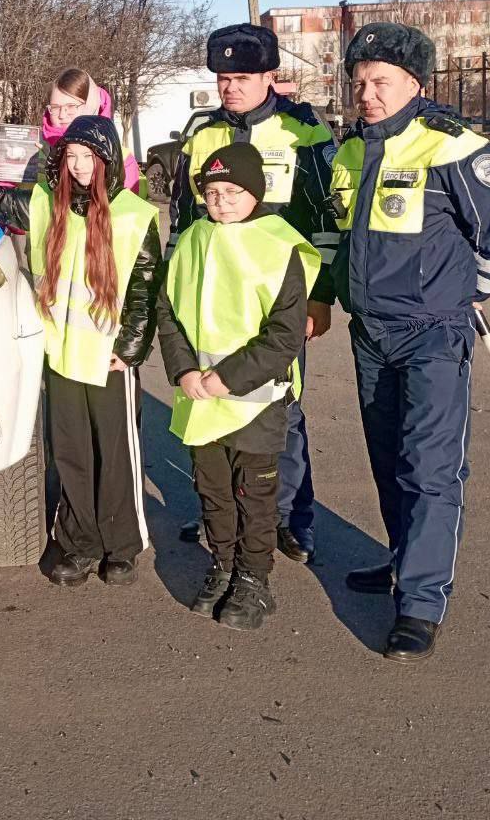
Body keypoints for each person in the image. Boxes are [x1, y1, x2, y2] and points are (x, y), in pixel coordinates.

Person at [0, 116, 160, 586]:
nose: (79, 166)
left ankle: (121, 546)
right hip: (60, 353)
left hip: (109, 359)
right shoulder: (44, 204)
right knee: (71, 454)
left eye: (88, 157)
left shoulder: (134, 215)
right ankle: (79, 543)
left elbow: (145, 288)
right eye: (71, 157)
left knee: (115, 454)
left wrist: (130, 347)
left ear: (106, 159)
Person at [331, 22, 490, 662]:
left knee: (429, 469)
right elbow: (340, 238)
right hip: (370, 334)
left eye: (381, 82)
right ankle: (404, 559)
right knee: (388, 460)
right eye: (359, 83)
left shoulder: (454, 146)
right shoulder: (351, 152)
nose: (367, 95)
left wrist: (461, 298)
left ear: (415, 83)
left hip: (433, 334)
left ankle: (421, 604)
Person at [167, 23, 337, 564]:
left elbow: (324, 218)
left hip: (276, 300)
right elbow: (183, 219)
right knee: (212, 403)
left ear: (269, 76)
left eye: (242, 77)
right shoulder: (202, 134)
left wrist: (320, 296)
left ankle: (289, 517)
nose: (230, 87)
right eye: (223, 78)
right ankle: (221, 512)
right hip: (211, 296)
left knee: (282, 408)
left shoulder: (301, 130)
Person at [158, 143, 321, 630]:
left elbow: (285, 334)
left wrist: (228, 377)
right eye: (212, 193)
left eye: (233, 191)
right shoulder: (193, 238)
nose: (222, 201)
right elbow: (168, 311)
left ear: (255, 192)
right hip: (200, 396)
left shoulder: (279, 245)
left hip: (255, 399)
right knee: (213, 490)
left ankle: (254, 578)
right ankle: (224, 563)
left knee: (254, 494)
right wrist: (184, 371)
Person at [0, 66, 142, 193]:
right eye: (55, 107)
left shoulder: (121, 159)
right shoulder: (33, 150)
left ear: (91, 106)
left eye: (71, 106)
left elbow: (123, 215)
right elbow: (9, 210)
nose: (62, 115)